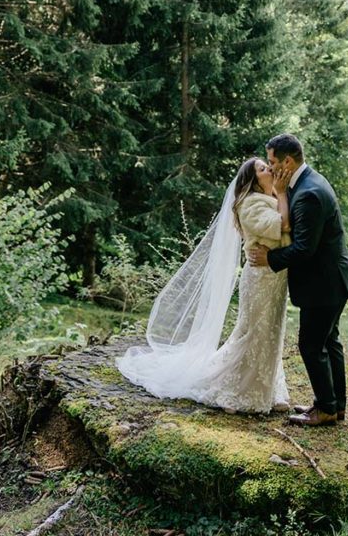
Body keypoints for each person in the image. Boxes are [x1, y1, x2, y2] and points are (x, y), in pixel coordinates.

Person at [115, 157, 293, 414]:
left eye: (267, 165)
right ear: (253, 181)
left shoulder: (272, 199)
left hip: (277, 279)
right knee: (253, 332)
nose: (269, 169)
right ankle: (236, 390)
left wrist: (279, 194)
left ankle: (268, 389)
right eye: (263, 169)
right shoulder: (250, 204)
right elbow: (283, 226)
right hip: (260, 280)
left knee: (272, 333)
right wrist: (283, 193)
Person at [248, 133, 348, 426]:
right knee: (329, 342)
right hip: (333, 279)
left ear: (287, 161)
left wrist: (269, 259)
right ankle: (334, 405)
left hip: (323, 283)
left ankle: (326, 409)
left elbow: (303, 249)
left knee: (311, 345)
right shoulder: (307, 181)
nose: (270, 169)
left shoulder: (308, 193)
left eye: (272, 162)